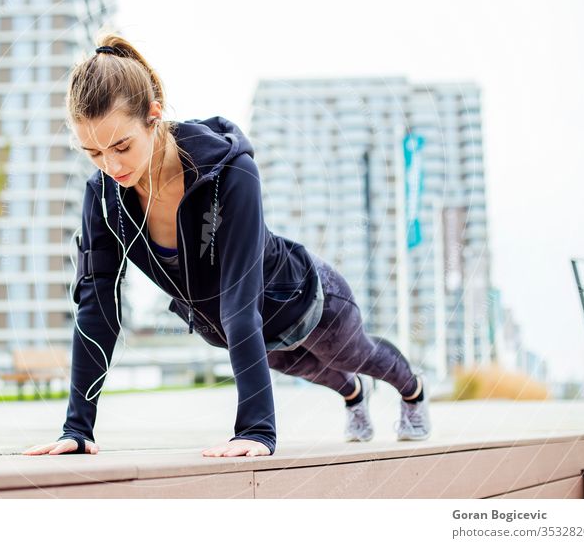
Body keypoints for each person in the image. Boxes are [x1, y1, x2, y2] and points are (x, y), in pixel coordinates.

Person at [22, 32, 431, 459]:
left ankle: (414, 391)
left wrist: (256, 431)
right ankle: (353, 396)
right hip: (243, 334)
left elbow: (239, 296)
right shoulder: (104, 198)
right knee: (322, 374)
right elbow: (97, 303)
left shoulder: (230, 170)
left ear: (153, 115)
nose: (112, 165)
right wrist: (78, 427)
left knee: (355, 355)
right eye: (93, 153)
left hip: (307, 299)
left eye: (122, 146)